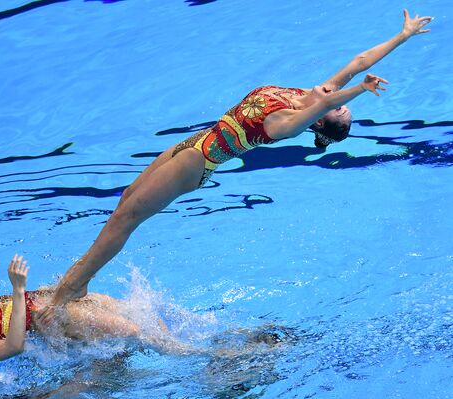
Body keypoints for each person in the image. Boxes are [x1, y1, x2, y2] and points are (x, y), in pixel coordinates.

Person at [39, 10, 433, 312]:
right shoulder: (306, 95)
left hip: (197, 162)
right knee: (126, 200)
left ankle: (75, 286)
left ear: (321, 119)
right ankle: (75, 278)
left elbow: (333, 99)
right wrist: (402, 36)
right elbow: (359, 61)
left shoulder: (290, 124)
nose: (334, 92)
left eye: (337, 108)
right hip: (194, 142)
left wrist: (360, 94)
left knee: (127, 219)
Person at [0, 255, 143, 367]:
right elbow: (13, 346)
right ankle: (179, 355)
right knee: (134, 331)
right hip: (51, 318)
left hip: (51, 297)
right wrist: (18, 289)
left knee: (135, 307)